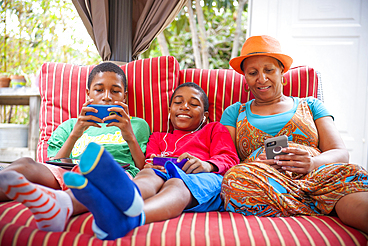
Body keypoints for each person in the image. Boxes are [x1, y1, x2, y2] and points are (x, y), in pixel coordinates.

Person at [219, 35, 368, 240]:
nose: (261, 79)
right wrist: (254, 161)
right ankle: (321, 204)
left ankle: (319, 200)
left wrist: (312, 162)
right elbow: (224, 159)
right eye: (253, 73)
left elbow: (341, 153)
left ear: (282, 71)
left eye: (269, 70)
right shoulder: (234, 113)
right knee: (234, 180)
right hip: (266, 183)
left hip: (318, 177)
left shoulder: (311, 105)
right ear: (245, 78)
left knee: (351, 174)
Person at [55, 82, 239, 240]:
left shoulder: (214, 129)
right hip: (161, 174)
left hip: (200, 178)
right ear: (169, 111)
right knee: (148, 174)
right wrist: (150, 165)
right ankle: (64, 203)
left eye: (193, 104)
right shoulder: (158, 138)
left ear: (205, 115)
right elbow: (147, 163)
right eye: (178, 102)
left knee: (177, 182)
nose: (184, 107)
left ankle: (130, 219)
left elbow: (230, 158)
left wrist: (207, 164)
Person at [0, 62, 151, 231]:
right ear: (88, 94)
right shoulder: (70, 125)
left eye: (115, 91)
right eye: (99, 90)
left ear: (124, 96)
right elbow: (53, 163)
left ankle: (60, 205)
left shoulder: (136, 125)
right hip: (66, 172)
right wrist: (76, 133)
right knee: (26, 164)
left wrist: (129, 135)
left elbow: (142, 167)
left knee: (95, 179)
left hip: (112, 174)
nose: (107, 97)